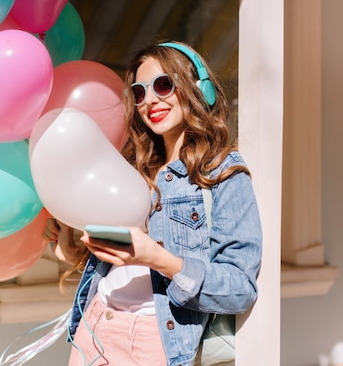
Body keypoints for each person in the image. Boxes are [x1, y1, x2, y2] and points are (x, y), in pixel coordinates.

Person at [44, 40, 263, 366]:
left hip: (153, 339)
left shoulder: (223, 174)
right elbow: (119, 266)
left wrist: (160, 259)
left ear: (198, 89)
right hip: (96, 323)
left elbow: (239, 288)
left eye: (163, 85)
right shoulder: (133, 168)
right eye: (139, 92)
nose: (150, 100)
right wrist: (68, 242)